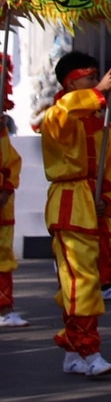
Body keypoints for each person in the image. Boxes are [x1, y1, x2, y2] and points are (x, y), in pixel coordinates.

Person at [41, 50, 111, 377]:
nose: (96, 83)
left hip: (90, 203)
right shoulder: (57, 115)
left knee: (79, 282)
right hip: (69, 201)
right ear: (72, 81)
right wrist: (98, 92)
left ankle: (74, 351)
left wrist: (106, 198)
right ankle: (88, 350)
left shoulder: (104, 124)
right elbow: (65, 112)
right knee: (80, 283)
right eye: (89, 78)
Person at [0, 69, 21, 328]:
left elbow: (11, 161)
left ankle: (4, 308)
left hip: (2, 203)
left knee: (3, 254)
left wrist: (6, 188)